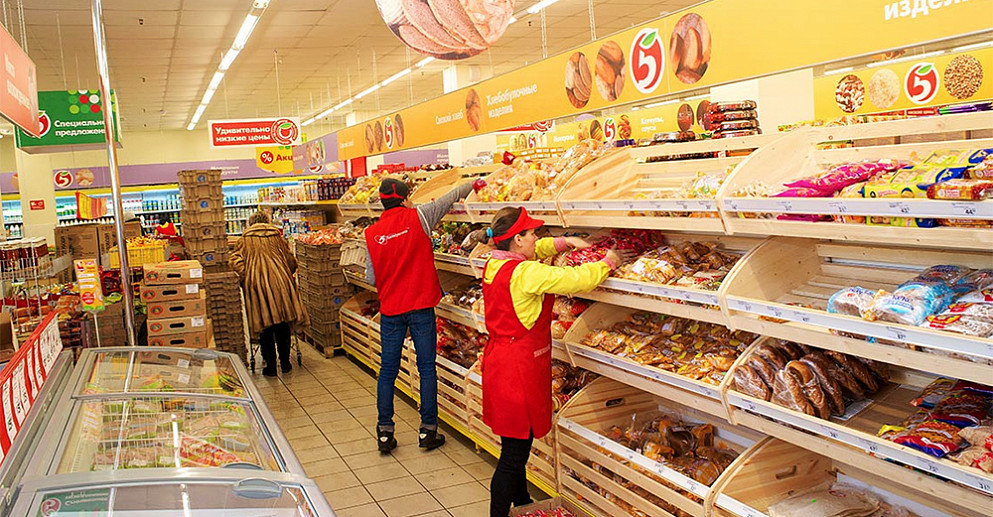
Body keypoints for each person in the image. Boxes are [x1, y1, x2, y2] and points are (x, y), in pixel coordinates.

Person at [467, 207, 631, 517]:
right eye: (532, 233)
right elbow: (573, 279)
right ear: (517, 239)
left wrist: (565, 242)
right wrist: (608, 262)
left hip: (501, 362)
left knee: (515, 443)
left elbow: (537, 249)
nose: (536, 238)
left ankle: (522, 501)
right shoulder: (526, 273)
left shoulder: (495, 263)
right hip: (519, 371)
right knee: (513, 456)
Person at [364, 177, 473, 453]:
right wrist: (476, 182)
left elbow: (371, 278)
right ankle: (427, 431)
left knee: (387, 370)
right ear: (404, 199)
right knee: (426, 368)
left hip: (391, 311)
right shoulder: (420, 216)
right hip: (421, 307)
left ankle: (385, 432)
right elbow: (452, 195)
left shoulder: (371, 233)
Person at [230, 211, 309, 377]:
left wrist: (248, 275)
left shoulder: (244, 240)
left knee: (265, 326)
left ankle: (271, 366)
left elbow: (235, 261)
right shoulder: (277, 237)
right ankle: (286, 363)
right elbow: (291, 260)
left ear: (251, 224)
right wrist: (284, 274)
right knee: (283, 325)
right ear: (267, 222)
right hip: (281, 284)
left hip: (258, 287)